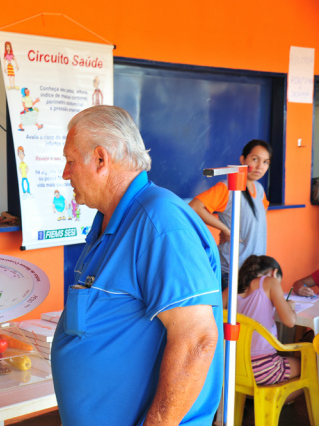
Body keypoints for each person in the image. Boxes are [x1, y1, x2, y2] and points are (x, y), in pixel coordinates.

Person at [51, 105, 223, 426]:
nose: (65, 173)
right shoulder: (110, 219)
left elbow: (198, 338)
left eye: (71, 161)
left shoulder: (160, 220)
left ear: (101, 160)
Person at [189, 139, 272, 290]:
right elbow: (194, 207)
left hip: (255, 270)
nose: (260, 166)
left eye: (266, 162)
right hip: (233, 270)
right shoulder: (227, 187)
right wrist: (226, 229)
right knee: (230, 313)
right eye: (255, 159)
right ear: (242, 159)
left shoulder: (259, 189)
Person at [234, 255, 300, 385]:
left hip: (234, 367)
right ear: (274, 272)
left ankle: (253, 399)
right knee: (308, 363)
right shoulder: (270, 281)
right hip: (263, 368)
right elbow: (290, 321)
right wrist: (289, 306)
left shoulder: (232, 289)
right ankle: (269, 402)